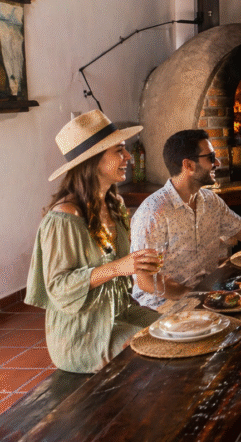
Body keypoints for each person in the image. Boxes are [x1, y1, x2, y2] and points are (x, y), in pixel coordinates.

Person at [25, 110, 162, 373]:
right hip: (82, 331)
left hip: (118, 313)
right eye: (119, 151)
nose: (128, 157)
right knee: (151, 351)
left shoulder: (115, 204)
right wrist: (117, 267)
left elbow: (124, 269)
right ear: (92, 161)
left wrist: (141, 267)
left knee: (171, 328)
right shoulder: (64, 218)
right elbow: (58, 287)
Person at [131, 129, 241, 307]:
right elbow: (146, 281)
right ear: (188, 165)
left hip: (208, 295)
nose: (218, 163)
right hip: (163, 305)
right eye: (211, 158)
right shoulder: (153, 212)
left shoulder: (210, 200)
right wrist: (192, 295)